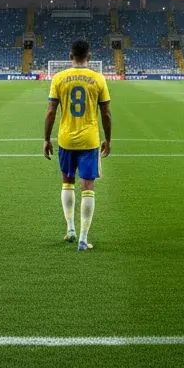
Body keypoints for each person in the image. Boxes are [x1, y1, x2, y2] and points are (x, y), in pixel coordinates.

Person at [43, 39, 112, 251]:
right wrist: (108, 140)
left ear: (70, 56)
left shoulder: (59, 78)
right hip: (89, 140)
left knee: (67, 183)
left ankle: (70, 228)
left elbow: (51, 111)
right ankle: (83, 238)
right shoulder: (98, 78)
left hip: (66, 140)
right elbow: (106, 113)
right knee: (88, 187)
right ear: (89, 57)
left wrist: (46, 139)